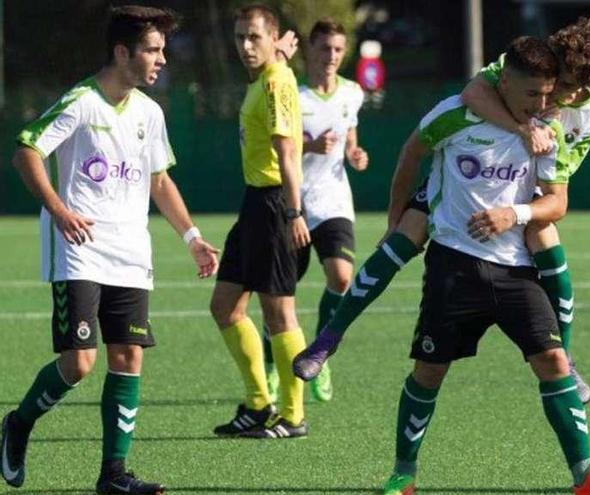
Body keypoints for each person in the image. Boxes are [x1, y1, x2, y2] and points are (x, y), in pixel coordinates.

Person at [294, 16, 590, 408]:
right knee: (405, 234)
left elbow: (557, 184)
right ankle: (328, 340)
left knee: (543, 232)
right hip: (461, 178)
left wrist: (520, 208)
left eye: (578, 89)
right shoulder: (522, 66)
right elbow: (473, 93)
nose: (565, 96)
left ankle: (567, 360)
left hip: (521, 189)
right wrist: (523, 129)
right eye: (564, 83)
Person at [374, 36, 590, 495]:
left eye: (557, 92)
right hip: (455, 265)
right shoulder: (469, 109)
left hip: (516, 269)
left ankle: (586, 474)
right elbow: (423, 141)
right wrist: (397, 218)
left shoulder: (559, 129)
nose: (556, 99)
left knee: (553, 360)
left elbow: (555, 201)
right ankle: (403, 473)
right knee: (429, 370)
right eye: (545, 92)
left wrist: (515, 213)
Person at [0, 6, 219, 494]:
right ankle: (18, 423)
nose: (162, 59)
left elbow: (160, 180)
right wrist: (58, 210)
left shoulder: (150, 112)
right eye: (152, 50)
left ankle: (114, 476)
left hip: (130, 252)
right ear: (123, 52)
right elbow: (26, 151)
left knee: (128, 358)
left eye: (163, 49)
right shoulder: (81, 101)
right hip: (78, 247)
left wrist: (191, 238)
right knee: (79, 362)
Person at [209, 4, 309, 440]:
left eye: (255, 37)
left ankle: (292, 415)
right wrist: (281, 53)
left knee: (279, 312)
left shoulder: (275, 82)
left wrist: (293, 211)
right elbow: (278, 66)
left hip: (273, 205)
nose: (246, 46)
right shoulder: (270, 74)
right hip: (254, 203)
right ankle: (257, 404)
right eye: (240, 38)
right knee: (225, 307)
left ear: (272, 38)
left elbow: (287, 152)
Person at [271, 18, 367, 404]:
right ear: (311, 51)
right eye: (325, 48)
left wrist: (354, 154)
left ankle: (321, 351)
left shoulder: (353, 93)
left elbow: (350, 141)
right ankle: (273, 367)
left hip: (332, 200)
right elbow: (279, 149)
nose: (331, 56)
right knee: (278, 296)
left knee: (342, 277)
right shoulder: (292, 92)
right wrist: (309, 147)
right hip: (291, 202)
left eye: (338, 50)